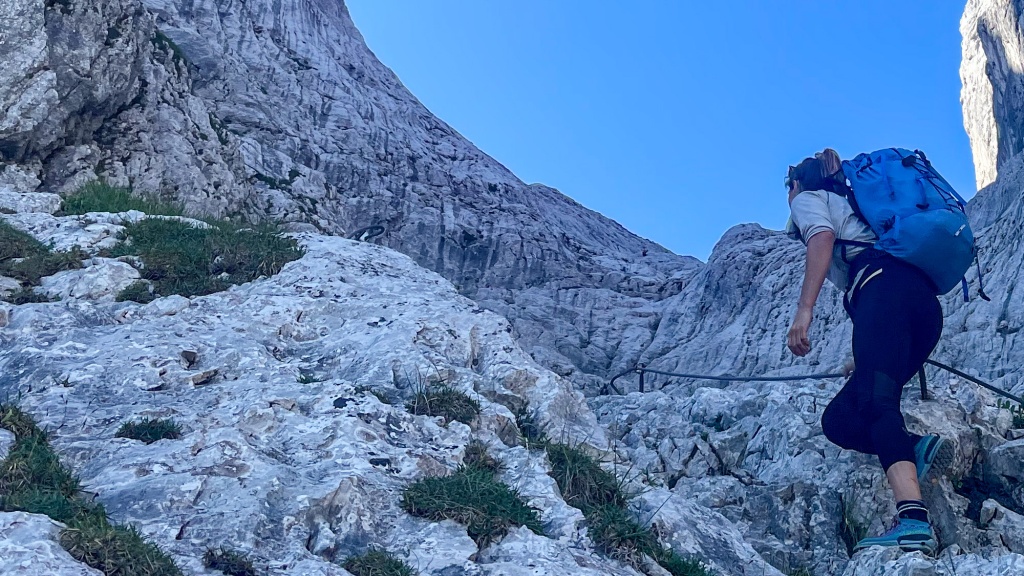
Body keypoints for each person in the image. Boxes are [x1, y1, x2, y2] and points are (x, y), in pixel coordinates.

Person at [784, 149, 953, 556]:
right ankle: (912, 447)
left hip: (883, 293)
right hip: (923, 308)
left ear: (795, 185)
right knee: (840, 419)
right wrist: (864, 357)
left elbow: (822, 240)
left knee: (878, 406)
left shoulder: (808, 199)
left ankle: (913, 521)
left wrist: (804, 310)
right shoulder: (856, 207)